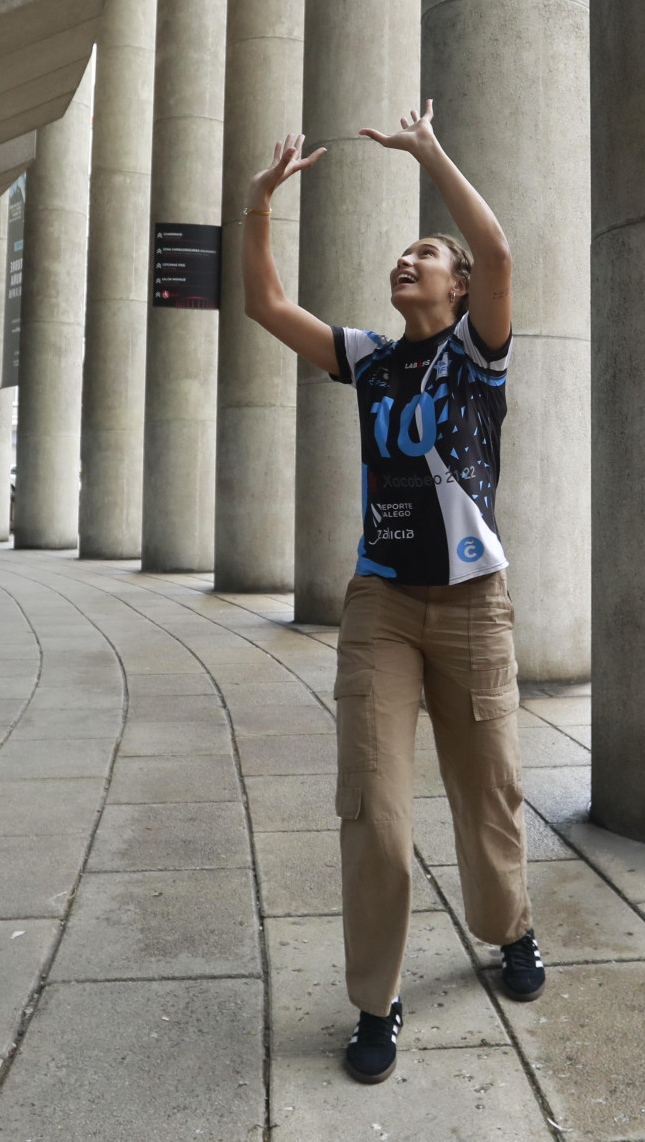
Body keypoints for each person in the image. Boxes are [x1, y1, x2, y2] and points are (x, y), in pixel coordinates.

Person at [242, 100, 544, 1086]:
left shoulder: (475, 353)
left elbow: (496, 251)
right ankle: (374, 1000)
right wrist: (257, 209)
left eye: (423, 252)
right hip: (379, 606)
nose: (402, 261)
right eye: (401, 252)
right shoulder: (369, 359)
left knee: (488, 791)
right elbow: (265, 306)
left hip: (471, 602)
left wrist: (429, 151)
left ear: (454, 287)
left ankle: (505, 929)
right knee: (373, 806)